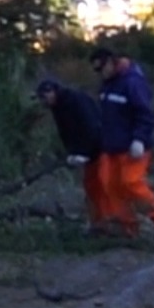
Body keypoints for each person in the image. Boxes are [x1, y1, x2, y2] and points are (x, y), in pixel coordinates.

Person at [89, 47, 154, 238]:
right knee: (109, 185)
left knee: (131, 182)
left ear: (111, 61)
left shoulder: (133, 83)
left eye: (102, 68)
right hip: (111, 147)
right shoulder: (107, 85)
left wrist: (139, 139)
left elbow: (146, 114)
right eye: (97, 70)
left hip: (132, 147)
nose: (101, 73)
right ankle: (126, 226)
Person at [35, 78, 115, 233]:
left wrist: (83, 152)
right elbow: (65, 132)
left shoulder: (75, 100)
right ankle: (98, 224)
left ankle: (114, 222)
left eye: (44, 97)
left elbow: (90, 126)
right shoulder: (57, 107)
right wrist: (72, 152)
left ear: (52, 92)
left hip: (102, 147)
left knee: (105, 185)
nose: (43, 102)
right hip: (89, 152)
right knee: (91, 188)